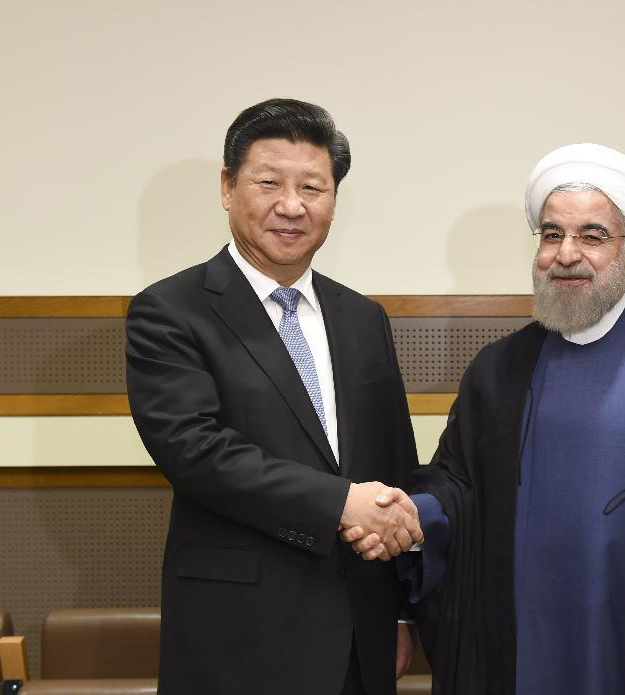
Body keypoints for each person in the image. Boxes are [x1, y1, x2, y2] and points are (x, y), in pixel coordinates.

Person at [346, 144, 625, 694]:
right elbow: (458, 485)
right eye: (552, 234)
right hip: (522, 635)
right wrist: (415, 515)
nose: (566, 254)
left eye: (592, 236)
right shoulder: (498, 368)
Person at [126, 98, 422, 695]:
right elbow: (195, 451)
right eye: (269, 183)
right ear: (227, 188)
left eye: (312, 187)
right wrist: (340, 502)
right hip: (238, 634)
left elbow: (394, 461)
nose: (292, 205)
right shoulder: (169, 311)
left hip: (360, 632)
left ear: (334, 199)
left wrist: (399, 610)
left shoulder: (363, 318)